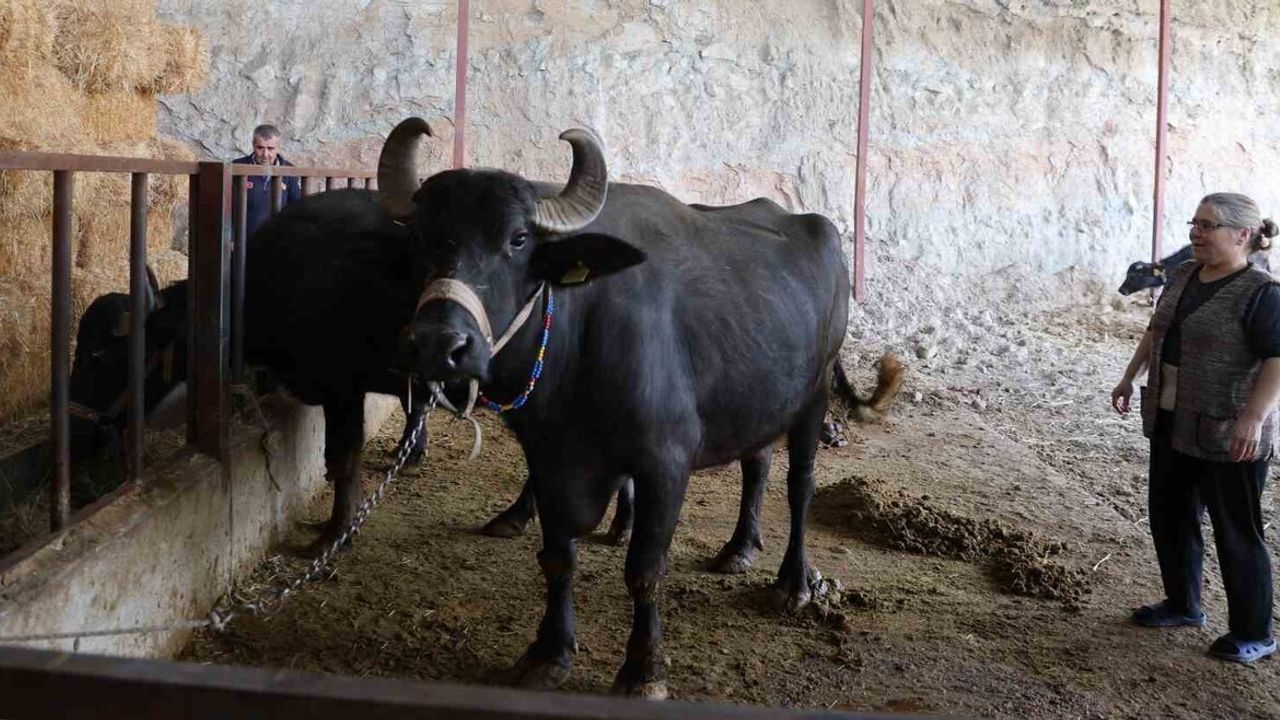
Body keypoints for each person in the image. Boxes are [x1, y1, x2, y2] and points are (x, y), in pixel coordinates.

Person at [1111, 192, 1280, 664]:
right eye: (1194, 223)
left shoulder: (1262, 292)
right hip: (1172, 419)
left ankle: (1254, 632)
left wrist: (1253, 418)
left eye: (1207, 225)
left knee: (1236, 530)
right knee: (1170, 515)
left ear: (1242, 235)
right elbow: (1156, 331)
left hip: (1230, 432)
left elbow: (1276, 360)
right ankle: (1183, 604)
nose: (1195, 233)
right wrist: (1129, 376)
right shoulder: (1184, 275)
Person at [232, 124, 303, 236]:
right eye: (260, 148)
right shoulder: (236, 167)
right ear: (253, 145)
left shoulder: (289, 171)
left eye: (270, 148)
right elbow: (226, 208)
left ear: (278, 147)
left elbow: (296, 208)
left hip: (277, 239)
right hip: (243, 239)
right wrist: (230, 238)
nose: (265, 154)